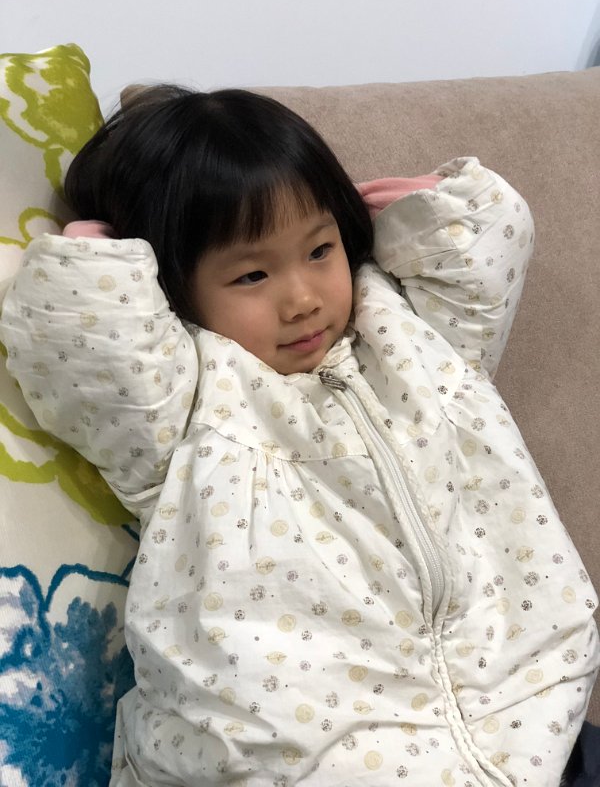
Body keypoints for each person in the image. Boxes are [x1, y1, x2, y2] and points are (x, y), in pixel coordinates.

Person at [0, 86, 598, 787]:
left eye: (320, 249)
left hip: (528, 714)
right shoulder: (182, 401)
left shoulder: (413, 335)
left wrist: (384, 212)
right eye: (253, 273)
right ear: (168, 286)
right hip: (301, 758)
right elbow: (84, 339)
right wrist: (101, 254)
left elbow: (489, 236)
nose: (303, 299)